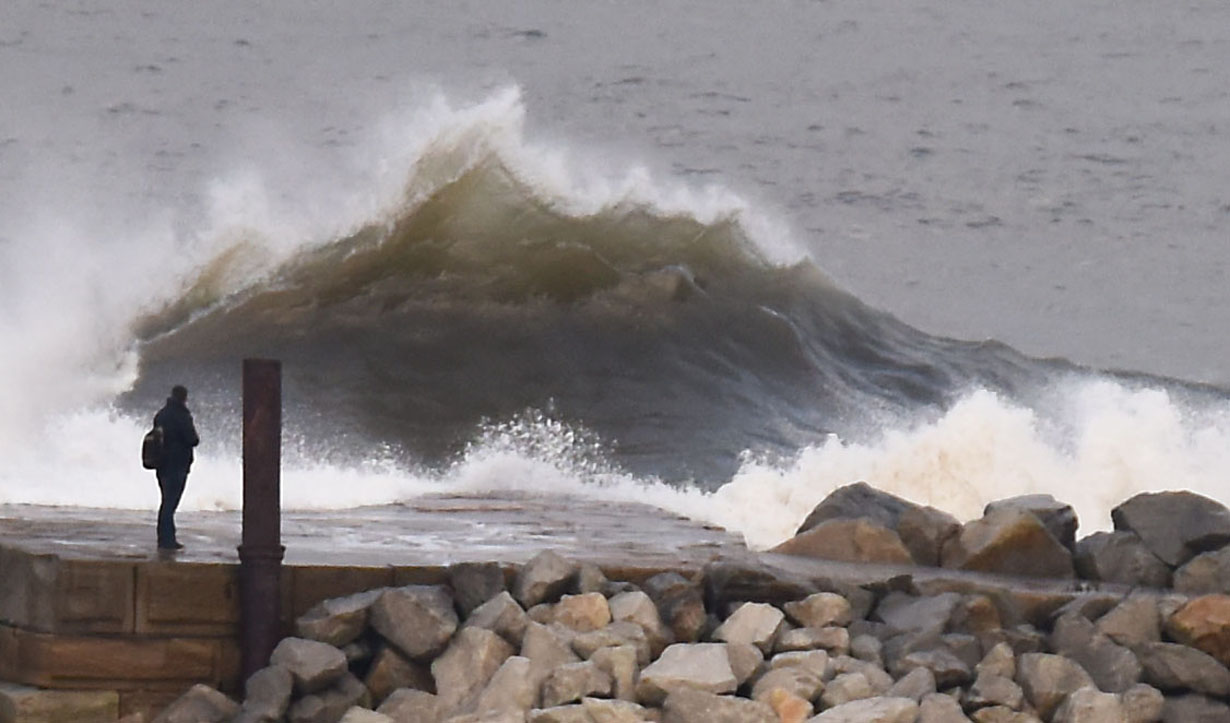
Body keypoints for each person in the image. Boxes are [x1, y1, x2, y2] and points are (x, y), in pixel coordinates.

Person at [153, 384, 200, 550]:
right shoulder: (182, 416)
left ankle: (165, 538)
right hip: (177, 464)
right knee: (170, 504)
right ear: (184, 398)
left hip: (162, 465)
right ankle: (167, 541)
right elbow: (193, 439)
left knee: (166, 502)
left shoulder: (161, 415)